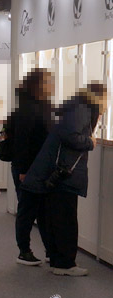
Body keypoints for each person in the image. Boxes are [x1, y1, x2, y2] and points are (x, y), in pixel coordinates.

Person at [22, 82, 107, 277]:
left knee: (56, 218)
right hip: (65, 172)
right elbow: (71, 135)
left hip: (58, 171)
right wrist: (90, 142)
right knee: (66, 220)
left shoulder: (75, 107)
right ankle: (65, 263)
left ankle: (57, 259)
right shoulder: (82, 109)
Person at [8, 68, 53, 265]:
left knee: (42, 211)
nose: (52, 85)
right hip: (28, 169)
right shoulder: (28, 109)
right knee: (27, 211)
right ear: (38, 85)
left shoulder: (40, 106)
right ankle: (24, 251)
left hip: (38, 167)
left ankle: (50, 250)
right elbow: (22, 142)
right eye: (48, 81)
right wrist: (23, 170)